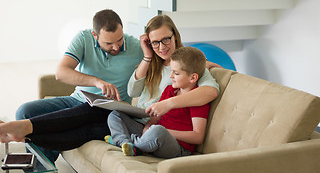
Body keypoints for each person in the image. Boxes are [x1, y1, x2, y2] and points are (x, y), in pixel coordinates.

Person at [0, 14, 219, 162]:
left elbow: (209, 90)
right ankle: (26, 129)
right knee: (94, 111)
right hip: (134, 118)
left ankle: (28, 134)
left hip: (149, 124)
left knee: (87, 126)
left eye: (166, 40)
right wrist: (146, 56)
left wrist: (167, 103)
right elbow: (134, 91)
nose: (161, 47)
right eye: (155, 42)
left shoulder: (188, 65)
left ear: (175, 36)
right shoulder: (149, 58)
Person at [7, 9, 144, 162]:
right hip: (77, 99)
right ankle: (40, 167)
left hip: (109, 111)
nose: (116, 47)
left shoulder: (137, 47)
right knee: (25, 111)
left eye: (119, 39)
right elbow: (61, 73)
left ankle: (36, 157)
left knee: (67, 122)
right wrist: (96, 81)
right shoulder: (83, 38)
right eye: (108, 43)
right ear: (95, 35)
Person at [107, 46, 211, 158]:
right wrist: (147, 127)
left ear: (192, 78)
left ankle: (128, 143)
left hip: (177, 146)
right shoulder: (169, 90)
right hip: (153, 135)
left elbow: (198, 137)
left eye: (176, 73)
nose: (171, 76)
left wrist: (165, 131)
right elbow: (155, 117)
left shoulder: (198, 100)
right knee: (116, 114)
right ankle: (125, 143)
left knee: (158, 131)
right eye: (171, 71)